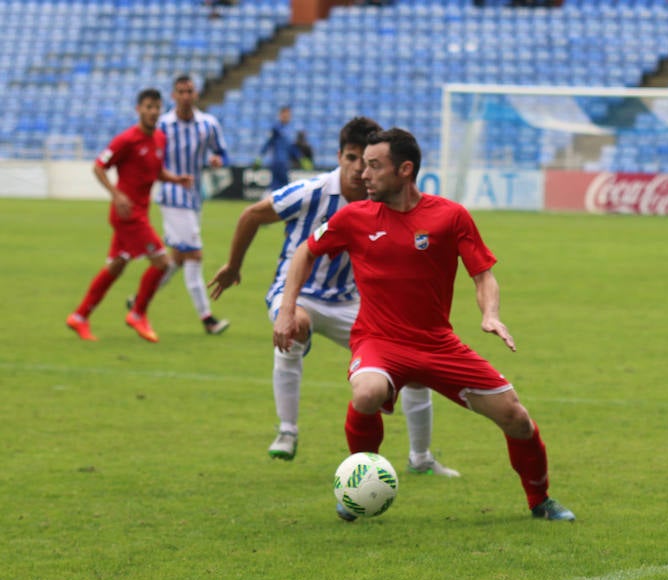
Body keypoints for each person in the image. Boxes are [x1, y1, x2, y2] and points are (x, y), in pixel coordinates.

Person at [272, 128, 575, 522]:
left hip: (437, 344)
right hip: (378, 340)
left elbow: (482, 274)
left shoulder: (450, 216)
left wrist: (490, 314)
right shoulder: (353, 217)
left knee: (516, 416)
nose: (364, 175)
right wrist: (286, 308)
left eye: (374, 166)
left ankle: (541, 500)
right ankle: (359, 486)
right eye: (362, 165)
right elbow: (304, 253)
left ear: (405, 170)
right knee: (366, 392)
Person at [208, 117, 458, 476]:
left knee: (414, 362)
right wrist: (233, 266)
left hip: (351, 302)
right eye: (352, 158)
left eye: (366, 161)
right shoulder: (310, 192)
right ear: (339, 156)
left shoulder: (382, 199)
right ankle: (287, 432)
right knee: (296, 325)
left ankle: (421, 457)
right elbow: (252, 214)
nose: (359, 169)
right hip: (298, 292)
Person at [66, 88, 193, 343]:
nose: (153, 112)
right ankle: (138, 313)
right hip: (127, 215)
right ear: (138, 110)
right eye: (148, 107)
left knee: (116, 265)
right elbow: (98, 166)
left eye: (157, 107)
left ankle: (79, 317)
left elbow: (155, 172)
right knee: (162, 263)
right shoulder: (126, 140)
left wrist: (175, 179)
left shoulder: (159, 138)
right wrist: (116, 194)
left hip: (140, 213)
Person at [153, 74, 230, 335]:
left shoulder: (208, 124)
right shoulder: (163, 125)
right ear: (173, 96)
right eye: (180, 92)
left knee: (176, 258)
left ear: (196, 94)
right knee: (195, 255)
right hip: (172, 195)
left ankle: (139, 302)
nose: (185, 96)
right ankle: (208, 319)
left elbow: (222, 151)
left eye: (189, 91)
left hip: (195, 197)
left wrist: (218, 159)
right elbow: (152, 158)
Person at [256, 106, 295, 192]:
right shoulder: (276, 128)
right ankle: (267, 200)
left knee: (282, 185)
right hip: (277, 161)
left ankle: (269, 200)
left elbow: (291, 148)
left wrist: (300, 157)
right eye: (285, 115)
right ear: (281, 115)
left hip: (285, 162)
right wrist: (260, 156)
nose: (287, 117)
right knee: (279, 185)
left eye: (288, 115)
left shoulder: (289, 130)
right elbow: (268, 143)